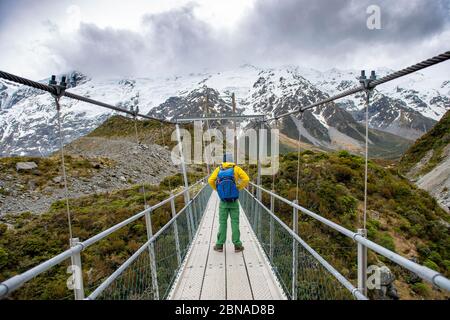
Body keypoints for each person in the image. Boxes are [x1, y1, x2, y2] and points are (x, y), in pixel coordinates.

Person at [208, 153, 250, 253]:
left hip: (223, 202)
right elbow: (246, 179)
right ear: (232, 160)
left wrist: (217, 190)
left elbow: (210, 180)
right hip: (234, 201)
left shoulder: (219, 169)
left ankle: (219, 245)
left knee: (222, 223)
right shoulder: (236, 169)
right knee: (235, 222)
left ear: (224, 160)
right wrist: (238, 188)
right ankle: (237, 245)